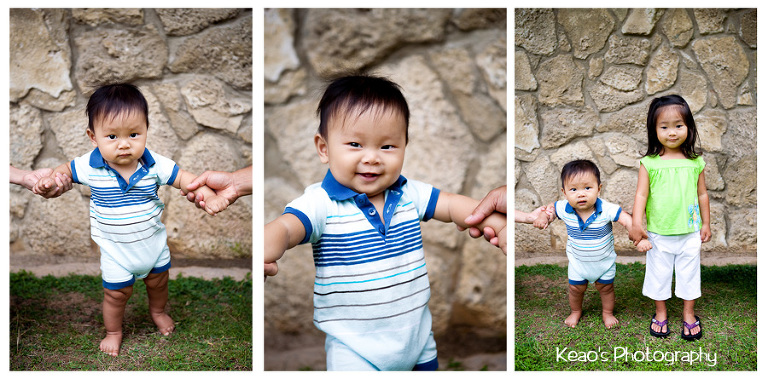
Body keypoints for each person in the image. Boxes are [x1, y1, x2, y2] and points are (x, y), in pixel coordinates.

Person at [264, 74, 506, 371]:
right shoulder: (321, 203)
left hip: (417, 342)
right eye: (355, 144)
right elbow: (287, 228)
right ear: (324, 148)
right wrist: (266, 247)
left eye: (388, 146)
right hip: (355, 352)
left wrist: (496, 221)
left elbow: (453, 204)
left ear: (405, 145)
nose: (372, 158)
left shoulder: (409, 193)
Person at [31, 83, 229, 356]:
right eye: (111, 136)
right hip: (116, 251)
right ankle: (114, 331)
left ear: (146, 130)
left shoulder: (154, 164)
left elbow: (186, 179)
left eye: (134, 134)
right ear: (93, 137)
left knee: (159, 283)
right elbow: (63, 171)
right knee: (116, 294)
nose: (124, 144)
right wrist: (50, 180)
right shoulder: (89, 166)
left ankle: (158, 312)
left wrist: (208, 193)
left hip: (153, 245)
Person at [628, 95, 711, 341]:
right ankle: (661, 312)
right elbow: (641, 195)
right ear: (654, 130)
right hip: (658, 233)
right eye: (664, 127)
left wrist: (706, 223)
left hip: (689, 231)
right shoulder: (649, 163)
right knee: (659, 274)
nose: (672, 132)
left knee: (689, 273)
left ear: (689, 127)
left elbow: (703, 194)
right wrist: (636, 223)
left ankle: (688, 313)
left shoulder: (695, 162)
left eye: (678, 126)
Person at [533, 160, 652, 329]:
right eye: (573, 189)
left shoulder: (607, 209)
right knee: (576, 289)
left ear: (599, 188)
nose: (581, 194)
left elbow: (626, 219)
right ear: (564, 192)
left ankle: (607, 313)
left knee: (606, 289)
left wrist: (639, 238)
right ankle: (575, 311)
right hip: (578, 262)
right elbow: (551, 209)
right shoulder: (563, 208)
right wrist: (543, 217)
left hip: (603, 263)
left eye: (587, 188)